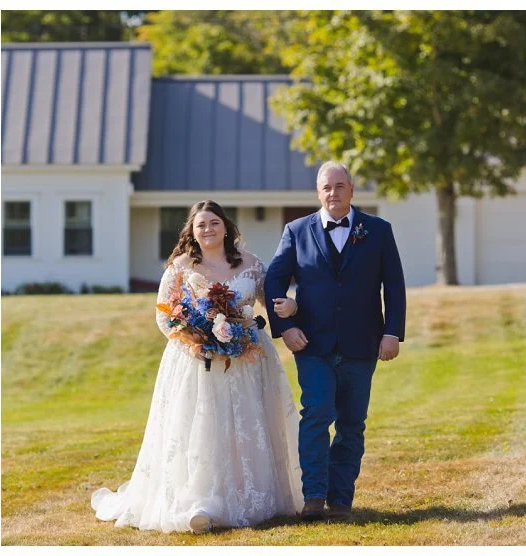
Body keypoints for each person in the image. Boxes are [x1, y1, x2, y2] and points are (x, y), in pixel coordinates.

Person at [92, 200, 302, 533]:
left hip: (246, 360)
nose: (208, 229)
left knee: (245, 426)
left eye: (214, 222)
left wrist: (290, 308)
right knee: (202, 426)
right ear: (191, 229)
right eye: (201, 224)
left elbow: (270, 304)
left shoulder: (251, 263)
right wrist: (196, 341)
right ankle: (199, 501)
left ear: (226, 226)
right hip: (195, 360)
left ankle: (249, 495)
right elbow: (165, 315)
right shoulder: (180, 266)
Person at [265, 161, 406, 520]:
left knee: (351, 424)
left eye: (340, 186)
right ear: (318, 192)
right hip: (312, 345)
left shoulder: (377, 230)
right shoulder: (296, 231)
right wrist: (286, 328)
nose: (333, 193)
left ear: (352, 190)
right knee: (316, 414)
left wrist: (392, 332)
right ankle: (313, 496)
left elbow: (394, 285)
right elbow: (273, 282)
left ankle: (340, 498)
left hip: (363, 344)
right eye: (327, 188)